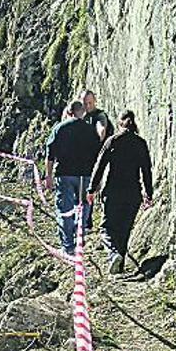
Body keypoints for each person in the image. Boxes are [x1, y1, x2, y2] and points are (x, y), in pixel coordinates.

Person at [86, 110, 153, 274]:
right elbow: (146, 171)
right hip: (133, 193)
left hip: (113, 192)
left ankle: (114, 254)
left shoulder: (112, 141)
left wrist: (91, 189)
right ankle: (119, 265)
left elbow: (99, 166)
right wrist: (149, 193)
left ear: (119, 123)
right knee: (124, 230)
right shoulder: (141, 143)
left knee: (106, 228)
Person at [45, 101, 102, 255]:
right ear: (82, 112)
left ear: (69, 112)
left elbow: (50, 155)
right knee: (84, 206)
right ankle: (80, 236)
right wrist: (97, 179)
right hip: (85, 174)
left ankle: (68, 245)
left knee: (65, 210)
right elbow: (98, 155)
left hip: (65, 174)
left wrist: (48, 176)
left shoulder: (59, 129)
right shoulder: (90, 130)